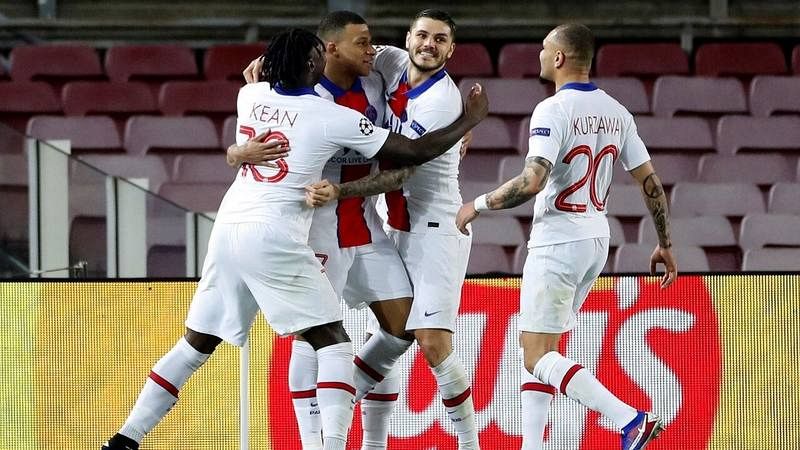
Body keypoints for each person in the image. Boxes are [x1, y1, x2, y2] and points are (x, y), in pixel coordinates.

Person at [101, 27, 488, 450]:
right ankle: (323, 444)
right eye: (354, 44)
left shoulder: (252, 95)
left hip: (234, 227)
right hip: (287, 233)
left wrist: (235, 151)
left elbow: (250, 128)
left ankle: (125, 438)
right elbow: (410, 152)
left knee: (198, 341)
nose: (371, 50)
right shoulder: (329, 115)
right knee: (330, 343)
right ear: (318, 59)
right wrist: (468, 121)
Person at [455, 23, 676, 450]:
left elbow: (532, 180)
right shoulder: (617, 111)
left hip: (558, 241)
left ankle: (629, 418)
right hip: (595, 239)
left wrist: (476, 206)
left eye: (543, 48)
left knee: (538, 354)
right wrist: (664, 242)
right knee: (538, 347)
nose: (539, 54)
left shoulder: (552, 110)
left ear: (559, 57)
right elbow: (650, 182)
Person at [231, 11, 420, 450]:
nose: (370, 49)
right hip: (316, 228)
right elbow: (253, 143)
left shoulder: (377, 78)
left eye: (371, 42)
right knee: (312, 334)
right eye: (361, 42)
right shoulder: (301, 92)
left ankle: (348, 408)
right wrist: (238, 151)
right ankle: (314, 441)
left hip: (365, 221)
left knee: (403, 327)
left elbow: (413, 60)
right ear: (330, 49)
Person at [308, 9, 481, 449]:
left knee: (431, 340)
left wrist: (341, 192)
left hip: (436, 227)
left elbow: (403, 168)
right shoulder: (386, 60)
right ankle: (364, 439)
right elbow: (336, 49)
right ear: (408, 37)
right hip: (394, 224)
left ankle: (469, 443)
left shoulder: (442, 101)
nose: (429, 44)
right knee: (392, 331)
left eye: (440, 39)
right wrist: (266, 75)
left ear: (451, 50)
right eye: (422, 35)